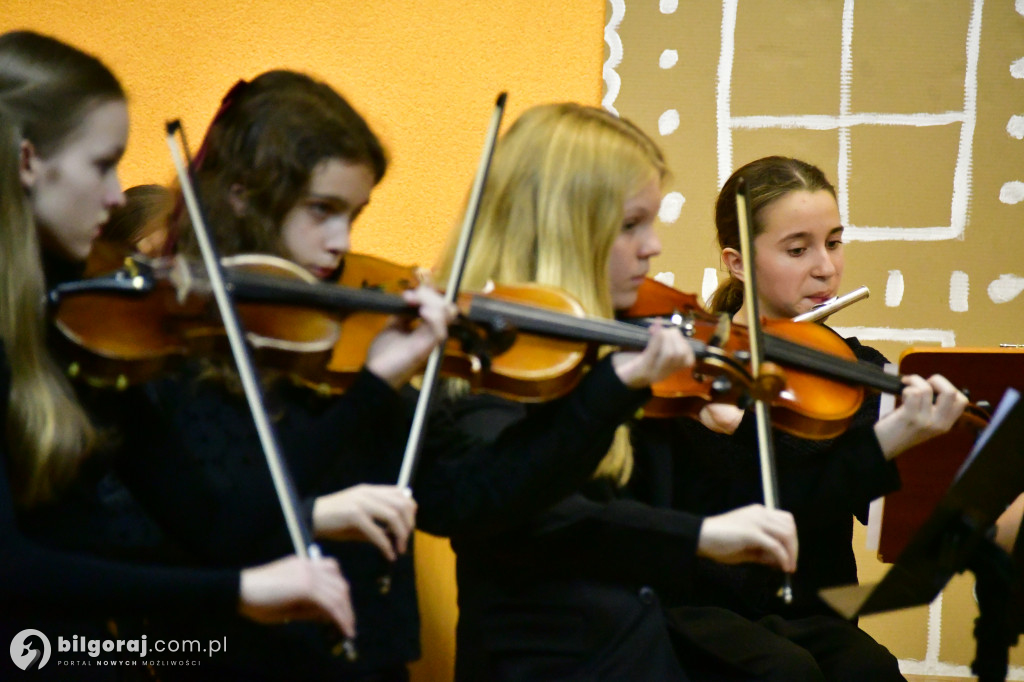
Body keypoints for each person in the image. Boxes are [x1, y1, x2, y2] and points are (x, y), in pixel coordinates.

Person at [136, 72, 703, 681]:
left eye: (353, 215)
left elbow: (468, 499)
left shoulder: (347, 336)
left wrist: (609, 389)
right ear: (241, 197)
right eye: (321, 211)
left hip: (370, 659)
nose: (341, 243)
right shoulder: (168, 346)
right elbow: (205, 524)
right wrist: (370, 393)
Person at [0, 30, 357, 679]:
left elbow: (214, 521)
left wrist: (377, 388)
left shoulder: (80, 325)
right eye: (102, 164)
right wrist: (239, 593)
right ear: (28, 161)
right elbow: (14, 567)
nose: (116, 196)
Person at [430, 103, 803, 681]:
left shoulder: (614, 341)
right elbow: (537, 514)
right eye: (631, 225)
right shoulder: (482, 354)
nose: (653, 247)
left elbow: (665, 503)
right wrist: (701, 536)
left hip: (636, 652)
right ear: (564, 225)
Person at [662, 155, 969, 681]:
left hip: (808, 610)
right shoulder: (689, 370)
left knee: (871, 670)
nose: (825, 267)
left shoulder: (856, 370)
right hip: (696, 609)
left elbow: (879, 504)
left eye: (834, 242)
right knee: (785, 671)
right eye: (798, 249)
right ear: (736, 262)